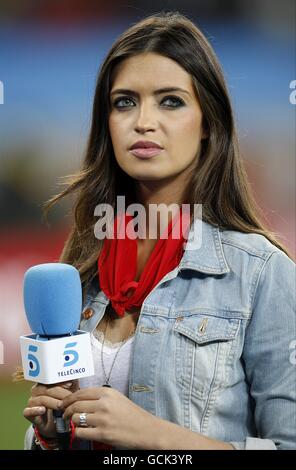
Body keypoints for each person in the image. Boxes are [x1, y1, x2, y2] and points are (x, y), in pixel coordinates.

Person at [23, 11, 295, 450]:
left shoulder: (262, 273)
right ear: (106, 122)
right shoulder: (83, 265)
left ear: (208, 123)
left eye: (170, 101)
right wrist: (48, 434)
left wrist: (157, 437)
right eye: (124, 102)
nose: (143, 121)